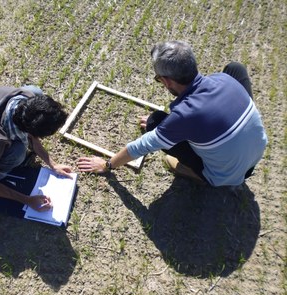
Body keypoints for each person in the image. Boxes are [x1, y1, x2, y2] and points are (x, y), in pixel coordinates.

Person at [77, 40, 268, 187]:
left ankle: (201, 175)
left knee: (154, 122)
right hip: (255, 156)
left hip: (224, 177)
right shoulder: (224, 79)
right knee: (235, 67)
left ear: (167, 81)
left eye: (158, 79)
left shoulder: (186, 114)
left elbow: (141, 146)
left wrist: (107, 165)